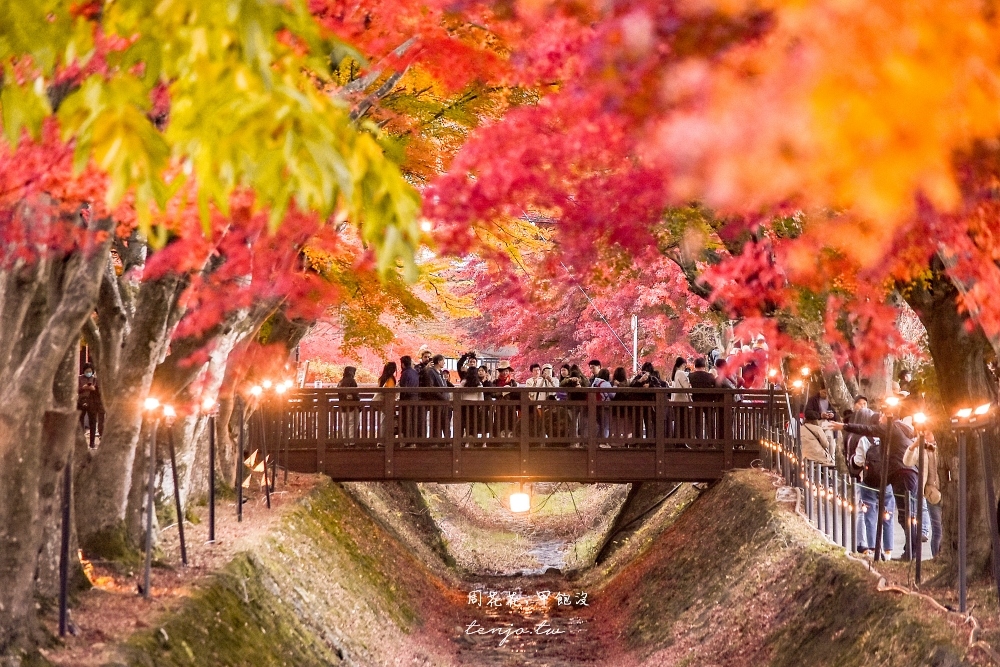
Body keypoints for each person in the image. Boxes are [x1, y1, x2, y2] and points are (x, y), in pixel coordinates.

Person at [833, 411, 919, 560]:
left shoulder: (890, 427)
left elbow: (867, 429)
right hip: (909, 472)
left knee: (906, 514)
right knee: (907, 513)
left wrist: (844, 426)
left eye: (882, 416)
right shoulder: (902, 428)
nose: (880, 419)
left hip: (901, 472)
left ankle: (911, 553)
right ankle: (910, 550)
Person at [903, 427, 943, 558]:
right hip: (932, 493)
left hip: (948, 489)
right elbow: (907, 461)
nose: (926, 435)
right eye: (924, 433)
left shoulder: (944, 445)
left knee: (952, 528)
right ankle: (936, 558)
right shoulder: (921, 448)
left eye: (929, 432)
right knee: (937, 529)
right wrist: (913, 446)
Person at [688, 357, 720, 439]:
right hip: (708, 401)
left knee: (697, 421)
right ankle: (711, 440)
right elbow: (715, 386)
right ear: (704, 366)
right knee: (710, 421)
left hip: (696, 400)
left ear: (695, 366)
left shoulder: (691, 376)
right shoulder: (710, 376)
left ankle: (698, 440)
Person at [78, 363, 105, 448]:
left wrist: (94, 389)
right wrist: (83, 388)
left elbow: (99, 392)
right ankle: (81, 442)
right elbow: (76, 389)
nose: (88, 372)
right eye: (87, 371)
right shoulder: (79, 378)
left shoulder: (95, 379)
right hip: (81, 402)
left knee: (92, 423)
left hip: (92, 403)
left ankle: (92, 443)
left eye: (90, 371)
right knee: (80, 423)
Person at [399, 356, 420, 444]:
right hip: (415, 398)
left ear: (403, 364)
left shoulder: (405, 373)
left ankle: (407, 440)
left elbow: (403, 387)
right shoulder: (415, 372)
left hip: (406, 399)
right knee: (413, 419)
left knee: (406, 420)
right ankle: (413, 439)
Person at [338, 367, 359, 445]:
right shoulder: (352, 381)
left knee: (345, 423)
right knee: (352, 423)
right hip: (352, 406)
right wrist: (358, 403)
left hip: (343, 406)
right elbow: (355, 394)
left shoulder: (340, 382)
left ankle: (345, 442)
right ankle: (351, 442)